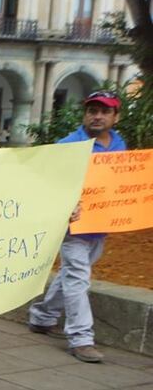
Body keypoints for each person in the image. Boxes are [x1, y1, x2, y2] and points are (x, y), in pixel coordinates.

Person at [28, 90, 126, 363]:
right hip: (74, 228)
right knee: (77, 277)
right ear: (84, 114)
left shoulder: (120, 145)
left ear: (115, 117)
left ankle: (42, 316)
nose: (97, 116)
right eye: (92, 110)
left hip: (100, 226)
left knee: (71, 275)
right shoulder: (68, 146)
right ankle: (81, 338)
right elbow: (48, 183)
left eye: (104, 111)